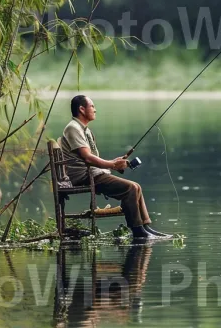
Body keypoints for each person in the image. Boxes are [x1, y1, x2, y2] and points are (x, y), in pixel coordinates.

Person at [60, 94, 172, 241]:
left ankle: (145, 226)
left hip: (92, 172)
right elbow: (88, 157)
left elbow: (92, 158)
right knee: (130, 188)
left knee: (136, 186)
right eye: (92, 106)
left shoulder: (84, 129)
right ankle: (138, 231)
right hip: (83, 176)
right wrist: (112, 165)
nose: (95, 110)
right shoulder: (73, 128)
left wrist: (115, 163)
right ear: (81, 109)